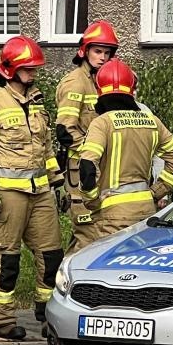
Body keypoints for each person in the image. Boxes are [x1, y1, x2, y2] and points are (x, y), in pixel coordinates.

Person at [0, 36, 66, 338]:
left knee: (51, 255)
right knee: (6, 257)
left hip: (40, 192)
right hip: (8, 193)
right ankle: (3, 320)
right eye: (28, 69)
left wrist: (58, 181)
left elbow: (46, 147)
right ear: (11, 70)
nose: (34, 73)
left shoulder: (36, 101)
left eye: (35, 69)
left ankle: (47, 314)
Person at [78, 61, 173, 241]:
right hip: (146, 210)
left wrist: (92, 201)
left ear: (99, 90)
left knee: (110, 267)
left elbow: (87, 167)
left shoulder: (102, 123)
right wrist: (157, 191)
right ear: (131, 89)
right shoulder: (151, 121)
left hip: (113, 215)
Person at [54, 20, 118, 250]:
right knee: (86, 233)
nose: (103, 57)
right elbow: (65, 131)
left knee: (101, 229)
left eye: (107, 53)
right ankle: (70, 282)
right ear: (85, 51)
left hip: (98, 169)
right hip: (80, 168)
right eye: (98, 51)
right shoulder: (76, 83)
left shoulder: (100, 82)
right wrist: (91, 154)